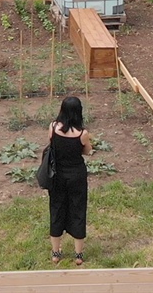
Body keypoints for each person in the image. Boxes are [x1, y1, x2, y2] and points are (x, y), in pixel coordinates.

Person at [47, 96, 93, 266]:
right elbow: (87, 151)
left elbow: (52, 145)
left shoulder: (53, 127)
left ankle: (56, 253)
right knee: (78, 209)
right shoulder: (82, 133)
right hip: (76, 176)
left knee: (57, 208)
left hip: (57, 175)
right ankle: (78, 254)